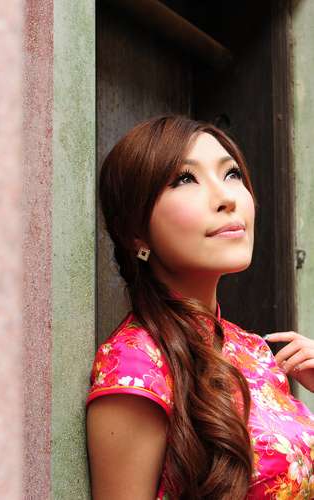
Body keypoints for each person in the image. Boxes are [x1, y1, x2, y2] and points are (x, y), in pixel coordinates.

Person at [86, 114, 314, 499]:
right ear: (136, 231)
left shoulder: (254, 352)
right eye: (185, 179)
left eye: (232, 174)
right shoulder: (135, 368)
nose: (227, 198)